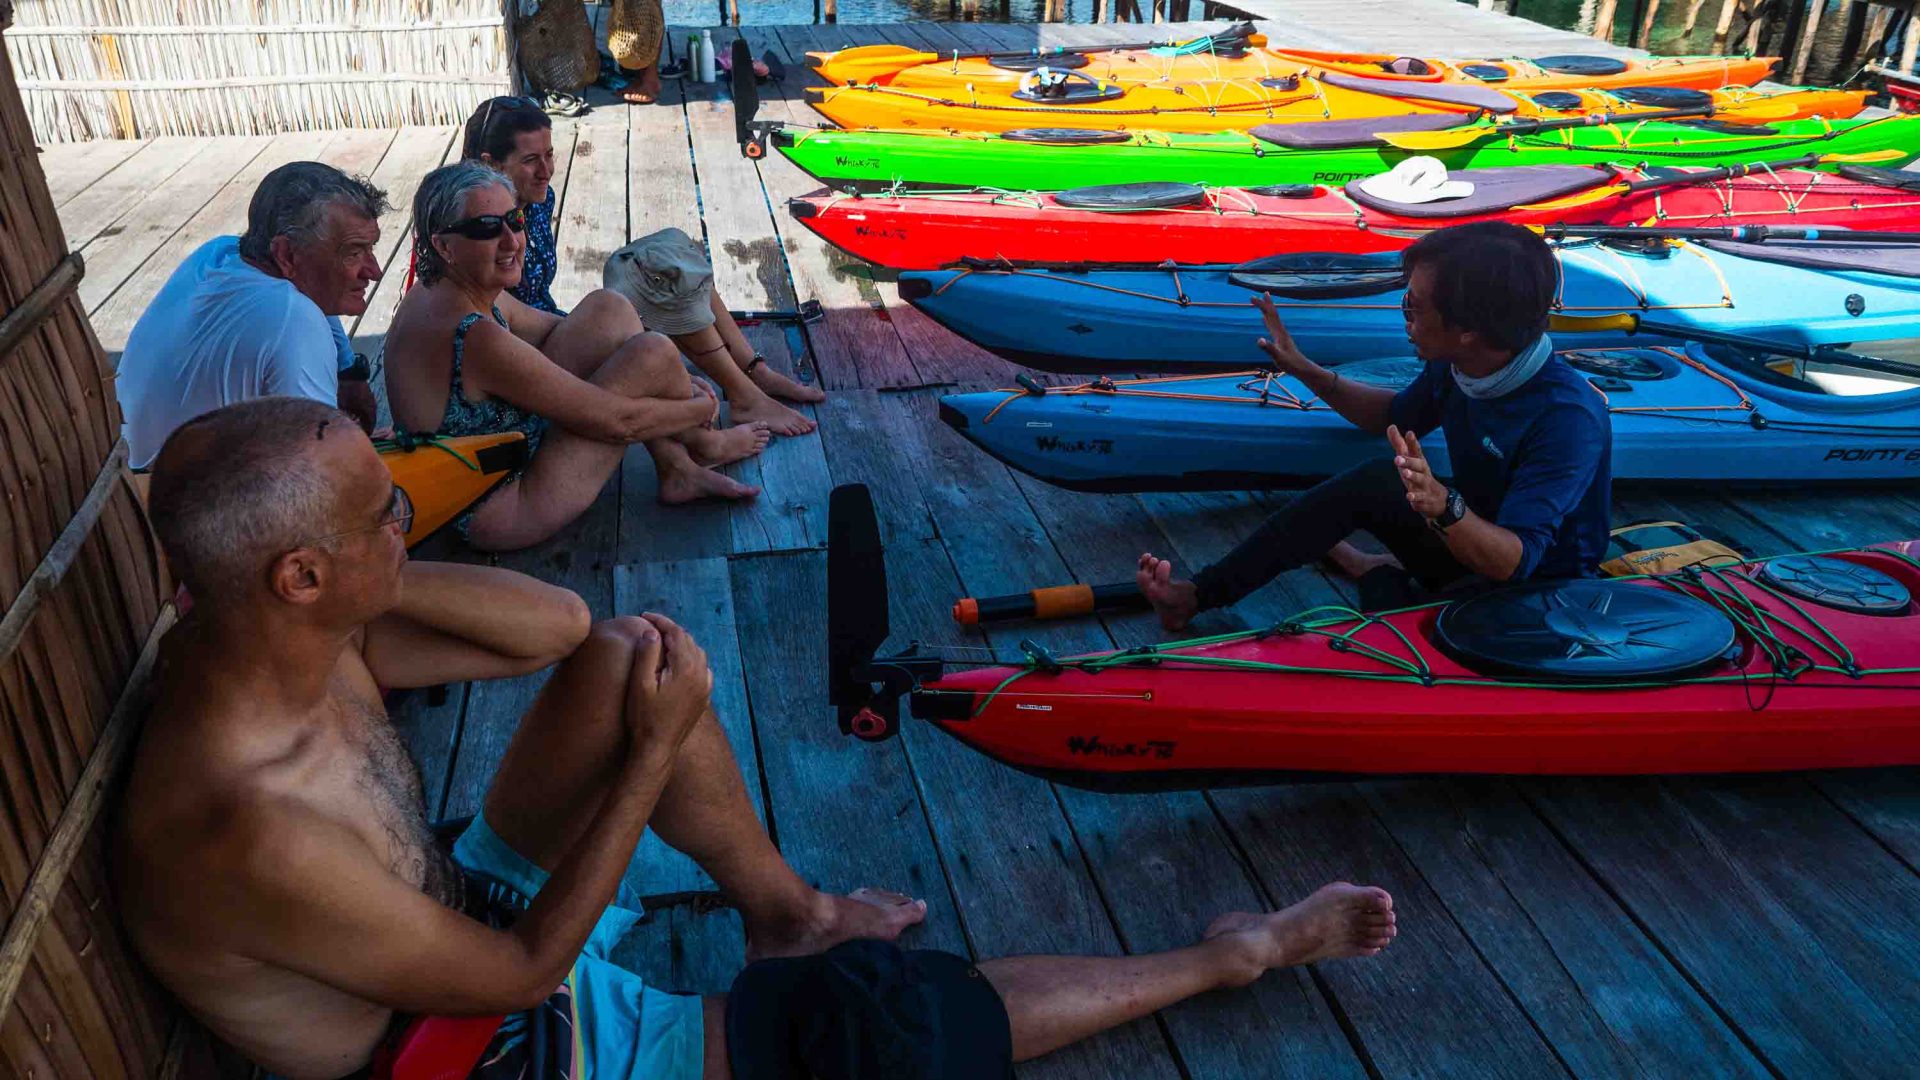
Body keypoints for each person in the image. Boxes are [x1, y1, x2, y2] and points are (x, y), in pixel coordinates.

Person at [116, 396, 1398, 1080]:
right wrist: (652, 758)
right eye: (388, 513)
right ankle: (1233, 956)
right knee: (879, 1026)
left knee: (629, 660)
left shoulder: (282, 640)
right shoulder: (243, 820)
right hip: (465, 1044)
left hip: (441, 914)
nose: (413, 518)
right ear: (296, 575)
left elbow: (560, 624)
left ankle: (785, 911)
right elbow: (509, 983)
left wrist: (383, 575)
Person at [1136, 221, 1613, 630]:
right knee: (1374, 479)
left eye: (1414, 306)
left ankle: (1373, 570)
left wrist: (1444, 506)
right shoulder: (1459, 365)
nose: (1404, 317)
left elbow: (1516, 561)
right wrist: (1305, 369)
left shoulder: (1566, 420)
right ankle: (1194, 596)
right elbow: (1391, 418)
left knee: (1388, 597)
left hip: (1535, 595)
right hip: (1466, 540)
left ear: (1468, 330)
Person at [383, 162, 768, 552]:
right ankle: (698, 447)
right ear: (444, 245)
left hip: (502, 447)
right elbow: (619, 423)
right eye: (485, 228)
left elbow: (555, 330)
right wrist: (695, 407)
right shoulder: (474, 335)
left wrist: (663, 381)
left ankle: (680, 467)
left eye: (514, 220)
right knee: (653, 353)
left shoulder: (448, 286)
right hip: (497, 504)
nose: (512, 241)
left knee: (611, 308)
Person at [458, 96, 824, 436]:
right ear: (491, 164)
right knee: (653, 281)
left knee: (672, 252)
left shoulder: (535, 199)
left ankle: (753, 372)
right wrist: (606, 330)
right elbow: (500, 323)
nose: (546, 171)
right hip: (530, 361)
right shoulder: (476, 230)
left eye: (549, 155)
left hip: (555, 332)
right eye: (530, 160)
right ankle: (742, 396)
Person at [116, 161, 386, 468]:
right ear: (286, 255)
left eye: (370, 248)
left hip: (127, 469)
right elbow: (321, 474)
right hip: (174, 505)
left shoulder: (218, 252)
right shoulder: (295, 321)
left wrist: (348, 368)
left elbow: (351, 388)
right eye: (353, 252)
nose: (374, 271)